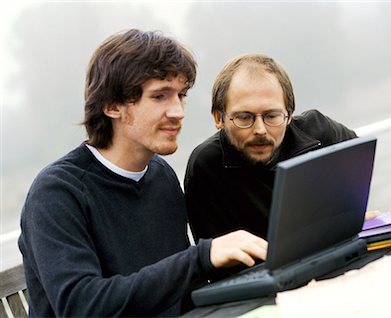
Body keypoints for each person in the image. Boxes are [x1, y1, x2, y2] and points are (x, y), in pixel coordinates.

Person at [18, 30, 267, 317]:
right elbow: (81, 306)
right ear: (112, 106)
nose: (178, 111)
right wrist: (200, 258)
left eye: (181, 95)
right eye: (160, 96)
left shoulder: (161, 175)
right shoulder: (57, 193)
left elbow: (182, 295)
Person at [184, 53, 358, 243]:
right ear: (219, 118)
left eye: (272, 116)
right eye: (244, 117)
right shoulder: (206, 166)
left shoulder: (319, 132)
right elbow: (216, 259)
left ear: (289, 115)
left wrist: (350, 214)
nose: (260, 130)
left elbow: (360, 160)